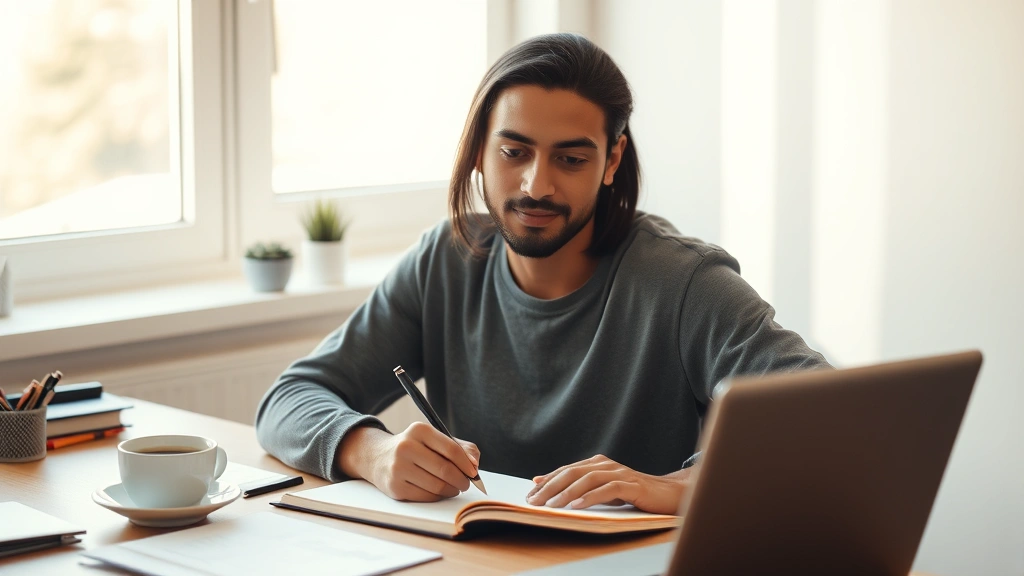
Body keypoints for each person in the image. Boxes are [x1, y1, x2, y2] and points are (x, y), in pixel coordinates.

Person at [255, 33, 830, 515]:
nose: (536, 185)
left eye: (571, 159)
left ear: (611, 161)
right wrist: (372, 453)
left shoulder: (681, 281)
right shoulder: (446, 260)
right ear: (480, 149)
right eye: (514, 152)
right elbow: (289, 399)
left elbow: (828, 417)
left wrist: (675, 487)